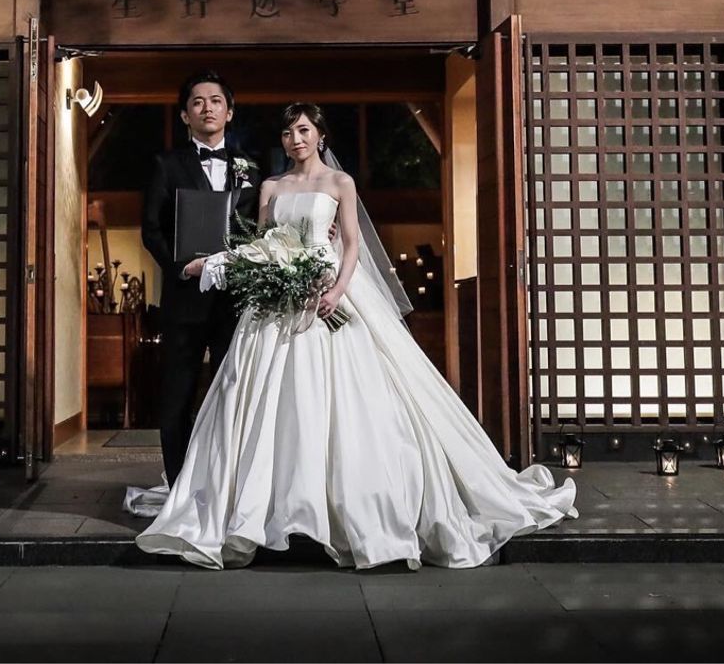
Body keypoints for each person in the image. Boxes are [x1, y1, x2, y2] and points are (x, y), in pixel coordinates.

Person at [134, 102, 578, 570]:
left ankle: (350, 506)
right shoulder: (270, 187)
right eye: (287, 133)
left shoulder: (339, 183)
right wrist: (245, 267)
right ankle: (267, 505)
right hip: (278, 302)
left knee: (349, 398)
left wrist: (336, 289)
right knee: (257, 399)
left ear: (320, 135)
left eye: (303, 131)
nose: (295, 140)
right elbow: (262, 241)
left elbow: (351, 244)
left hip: (331, 292)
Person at [138, 70, 262, 488]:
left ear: (230, 112)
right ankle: (180, 487)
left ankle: (229, 485)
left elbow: (264, 227)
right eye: (197, 102)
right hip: (184, 301)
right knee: (177, 397)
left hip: (235, 303)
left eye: (215, 101)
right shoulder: (166, 164)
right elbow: (151, 229)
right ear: (184, 115)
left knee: (234, 394)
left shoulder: (251, 167)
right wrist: (181, 267)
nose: (207, 108)